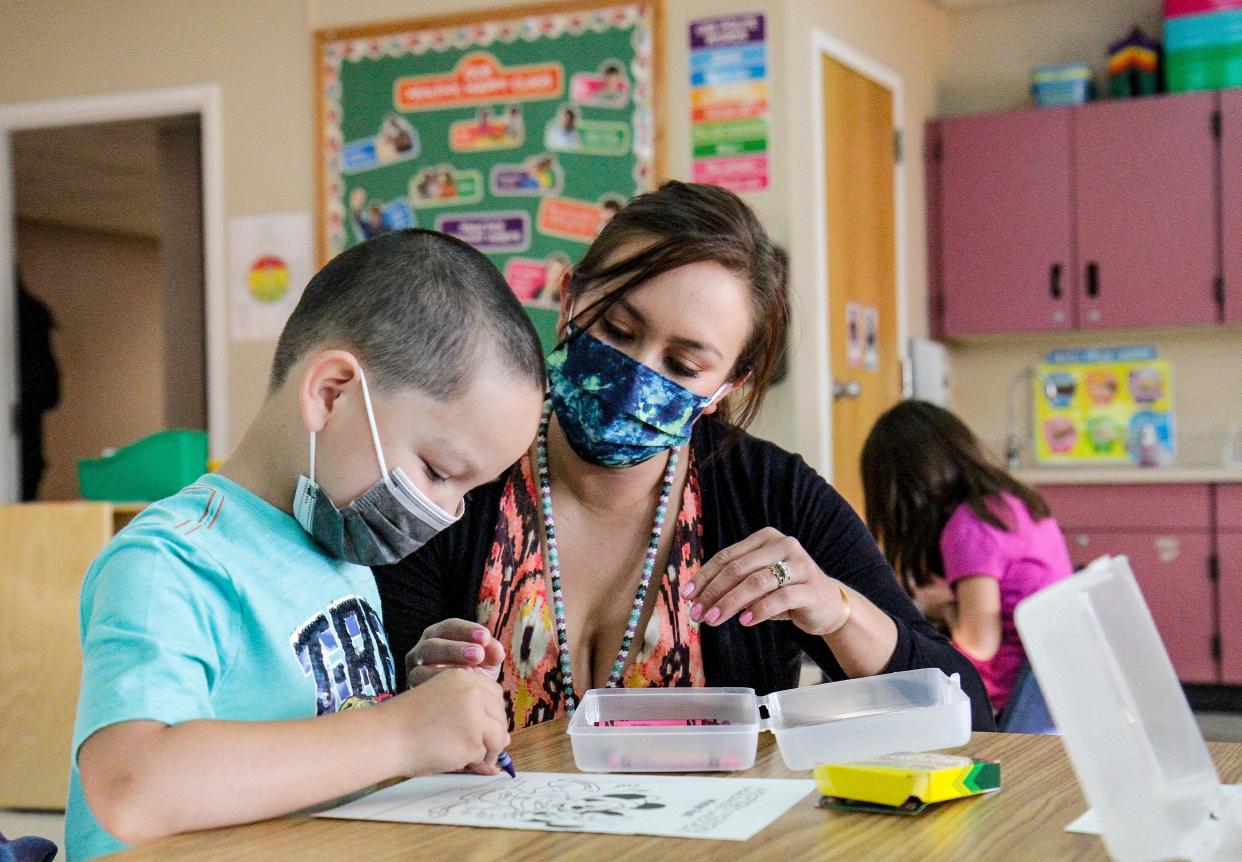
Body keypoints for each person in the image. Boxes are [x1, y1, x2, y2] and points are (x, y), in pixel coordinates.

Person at [375, 181, 993, 732]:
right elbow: (359, 704)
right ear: (569, 301)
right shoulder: (461, 470)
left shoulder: (769, 495)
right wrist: (411, 693)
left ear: (729, 387)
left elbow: (970, 714)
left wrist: (837, 612)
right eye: (617, 329)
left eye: (684, 365)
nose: (637, 371)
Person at [67, 229, 547, 860]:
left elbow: (305, 734)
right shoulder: (170, 560)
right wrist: (400, 732)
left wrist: (415, 700)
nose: (448, 513)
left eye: (468, 491)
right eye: (436, 469)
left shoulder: (337, 554)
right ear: (331, 393)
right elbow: (133, 785)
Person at [860, 400, 1073, 716]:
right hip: (1054, 687)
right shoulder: (1014, 502)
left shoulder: (971, 525)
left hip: (1010, 701)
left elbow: (978, 643)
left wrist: (939, 607)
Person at [15, 271, 60, 500]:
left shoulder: (25, 316)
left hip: (25, 431)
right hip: (27, 435)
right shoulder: (33, 315)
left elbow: (49, 389)